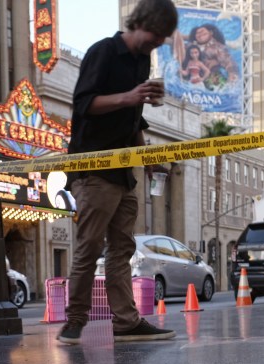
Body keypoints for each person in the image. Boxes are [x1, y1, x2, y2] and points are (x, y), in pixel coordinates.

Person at [57, 0, 179, 345]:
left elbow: (134, 118)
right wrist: (129, 96)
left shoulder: (142, 61)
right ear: (141, 23)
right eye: (157, 35)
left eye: (164, 38)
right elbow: (83, 105)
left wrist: (146, 155)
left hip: (125, 171)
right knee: (89, 245)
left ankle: (125, 322)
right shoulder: (104, 52)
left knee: (122, 248)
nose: (158, 43)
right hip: (93, 167)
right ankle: (75, 321)